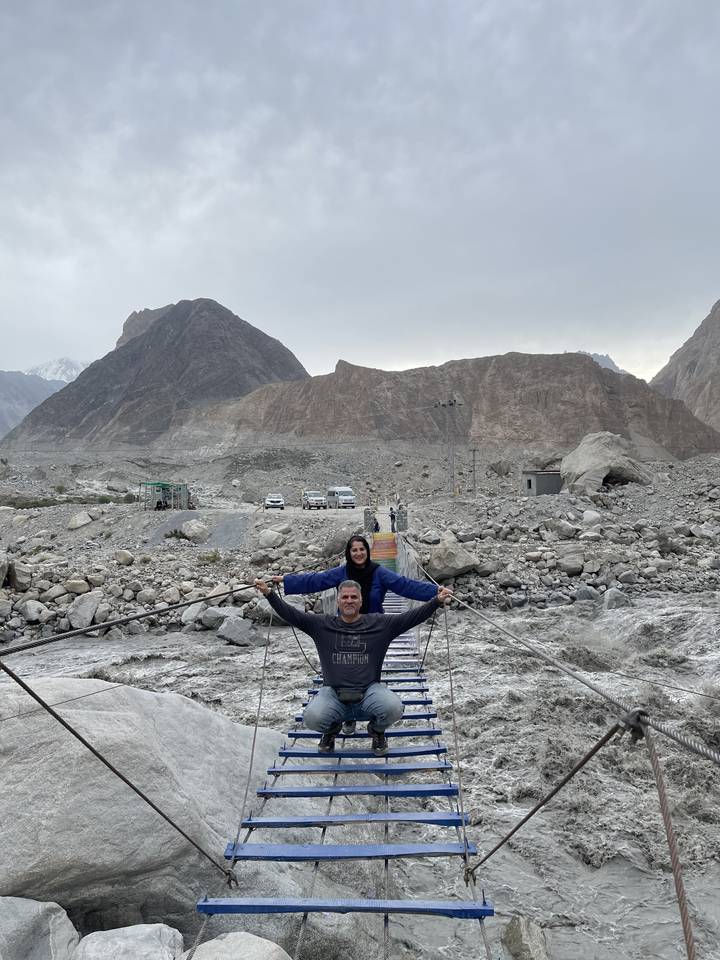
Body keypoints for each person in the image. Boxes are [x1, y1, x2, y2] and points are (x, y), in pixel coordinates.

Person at [255, 577, 452, 754]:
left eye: (354, 597)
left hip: (368, 693)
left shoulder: (380, 624)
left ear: (361, 601)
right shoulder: (321, 624)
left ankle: (376, 730)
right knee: (311, 718)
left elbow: (411, 617)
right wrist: (269, 594)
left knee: (394, 708)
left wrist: (436, 601)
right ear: (338, 601)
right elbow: (291, 614)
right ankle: (332, 729)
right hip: (333, 693)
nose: (349, 601)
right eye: (345, 597)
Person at [274, 534, 444, 614]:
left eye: (362, 549)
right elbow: (316, 580)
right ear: (348, 553)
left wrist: (435, 592)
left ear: (367, 551)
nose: (358, 553)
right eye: (354, 550)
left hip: (375, 627)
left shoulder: (379, 573)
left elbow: (404, 585)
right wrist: (285, 580)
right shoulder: (341, 572)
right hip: (346, 626)